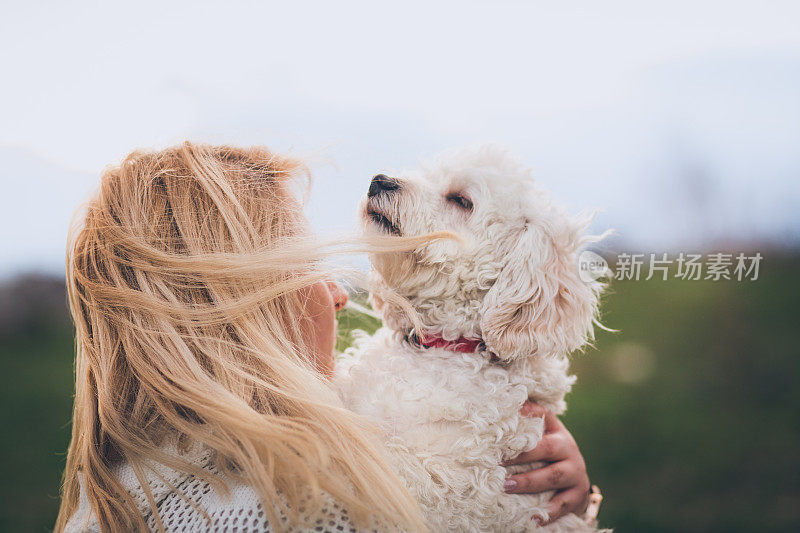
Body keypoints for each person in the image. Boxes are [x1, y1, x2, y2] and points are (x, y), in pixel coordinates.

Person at [56, 142, 593, 532]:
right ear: (232, 308)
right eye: (309, 265)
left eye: (459, 202)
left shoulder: (116, 485)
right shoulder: (305, 507)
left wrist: (566, 497)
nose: (340, 293)